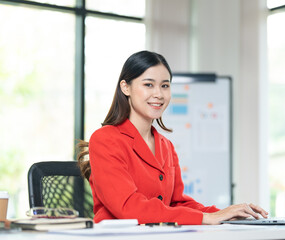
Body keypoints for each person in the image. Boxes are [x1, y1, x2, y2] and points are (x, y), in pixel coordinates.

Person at [77, 50, 268, 225]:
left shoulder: (165, 145)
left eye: (165, 85)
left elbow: (176, 203)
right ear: (126, 87)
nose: (158, 94)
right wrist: (207, 218)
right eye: (148, 85)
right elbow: (128, 207)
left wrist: (225, 214)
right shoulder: (105, 139)